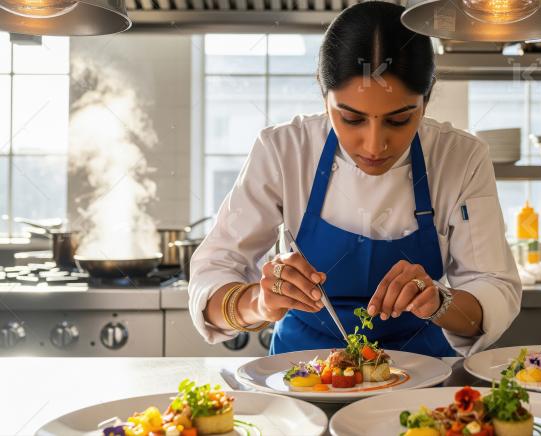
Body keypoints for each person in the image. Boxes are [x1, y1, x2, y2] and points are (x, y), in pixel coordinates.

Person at [188, 1, 521, 357]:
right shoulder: (283, 150)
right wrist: (259, 301)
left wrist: (439, 302)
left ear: (426, 100)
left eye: (398, 120)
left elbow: (495, 289)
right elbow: (212, 281)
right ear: (324, 96)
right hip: (300, 374)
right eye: (351, 118)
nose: (375, 145)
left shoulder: (460, 157)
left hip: (425, 376)